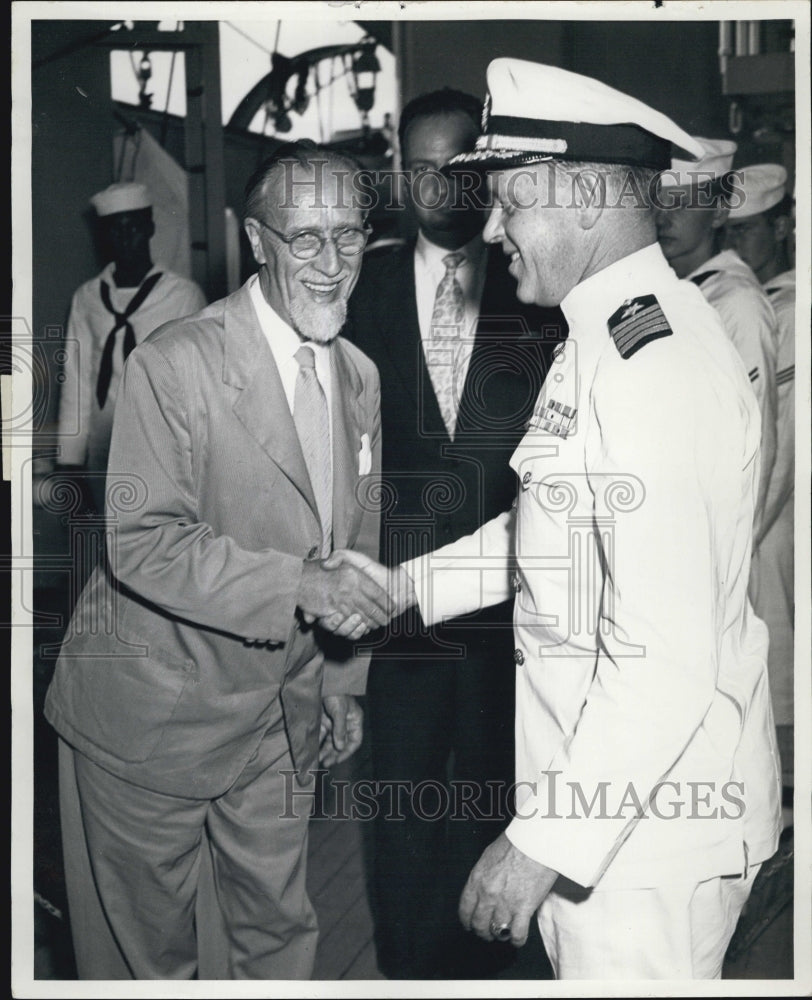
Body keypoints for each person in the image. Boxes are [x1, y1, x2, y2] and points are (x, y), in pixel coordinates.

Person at [336, 58, 782, 979]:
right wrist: (404, 586)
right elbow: (559, 538)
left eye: (509, 201)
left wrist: (540, 841)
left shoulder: (650, 368)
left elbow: (666, 658)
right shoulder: (605, 336)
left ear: (583, 198)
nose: (490, 227)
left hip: (645, 834)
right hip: (619, 811)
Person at [44, 143, 393, 980]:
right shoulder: (176, 364)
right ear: (256, 240)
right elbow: (144, 541)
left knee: (275, 931)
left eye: (348, 234)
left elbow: (359, 532)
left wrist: (343, 678)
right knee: (150, 960)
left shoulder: (358, 376)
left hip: (280, 714)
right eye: (304, 238)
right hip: (150, 719)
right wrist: (303, 586)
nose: (332, 261)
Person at [343, 88, 565, 980]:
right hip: (392, 611)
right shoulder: (361, 289)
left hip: (508, 616)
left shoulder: (539, 291)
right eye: (420, 168)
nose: (440, 187)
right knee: (399, 823)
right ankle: (407, 974)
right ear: (399, 174)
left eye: (457, 166)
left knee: (495, 815)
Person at [655, 140, 779, 542]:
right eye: (659, 200)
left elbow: (755, 451)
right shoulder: (668, 291)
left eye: (683, 202)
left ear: (719, 212)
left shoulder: (736, 301)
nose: (665, 216)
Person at [56, 182, 206, 513]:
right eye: (115, 229)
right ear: (105, 236)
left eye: (133, 226)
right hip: (103, 445)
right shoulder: (88, 297)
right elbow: (77, 380)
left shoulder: (182, 296)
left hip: (165, 442)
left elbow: (199, 382)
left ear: (150, 227)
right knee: (109, 538)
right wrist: (70, 460)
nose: (125, 238)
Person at [725, 165, 795, 790]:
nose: (734, 242)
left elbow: (778, 456)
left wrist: (734, 554)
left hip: (772, 545)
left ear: (783, 226)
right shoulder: (751, 298)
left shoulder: (790, 310)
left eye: (745, 230)